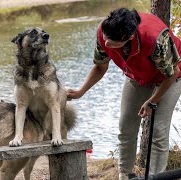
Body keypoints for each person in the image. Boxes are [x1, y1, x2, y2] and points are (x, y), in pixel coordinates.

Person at [66, 7, 181, 180]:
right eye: (105, 37)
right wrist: (81, 91)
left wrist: (152, 100)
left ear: (129, 38)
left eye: (112, 42)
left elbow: (171, 73)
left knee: (158, 131)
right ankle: (126, 176)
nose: (106, 43)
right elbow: (100, 66)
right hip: (138, 76)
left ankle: (157, 177)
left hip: (170, 77)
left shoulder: (156, 39)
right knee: (126, 126)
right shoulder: (105, 31)